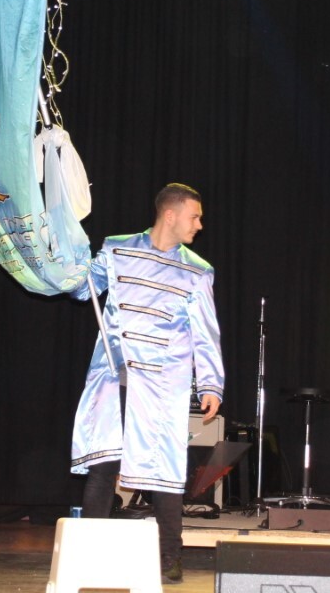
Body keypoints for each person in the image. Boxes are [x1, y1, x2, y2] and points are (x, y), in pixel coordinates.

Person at [70, 183, 224, 584]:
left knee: (164, 470)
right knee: (103, 465)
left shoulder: (197, 270)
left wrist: (211, 384)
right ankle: (88, 555)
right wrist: (63, 264)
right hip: (115, 375)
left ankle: (170, 556)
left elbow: (206, 334)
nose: (199, 225)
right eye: (194, 217)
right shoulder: (117, 249)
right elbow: (81, 289)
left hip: (162, 384)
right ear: (170, 215)